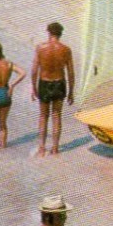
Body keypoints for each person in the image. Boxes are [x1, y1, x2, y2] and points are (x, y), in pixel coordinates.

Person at [31, 21, 75, 156]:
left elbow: (34, 71)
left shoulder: (40, 48)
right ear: (60, 34)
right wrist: (71, 92)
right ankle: (55, 148)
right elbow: (71, 73)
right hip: (59, 83)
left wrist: (33, 87)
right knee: (56, 116)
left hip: (44, 82)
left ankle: (41, 148)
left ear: (49, 33)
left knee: (43, 116)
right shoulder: (66, 50)